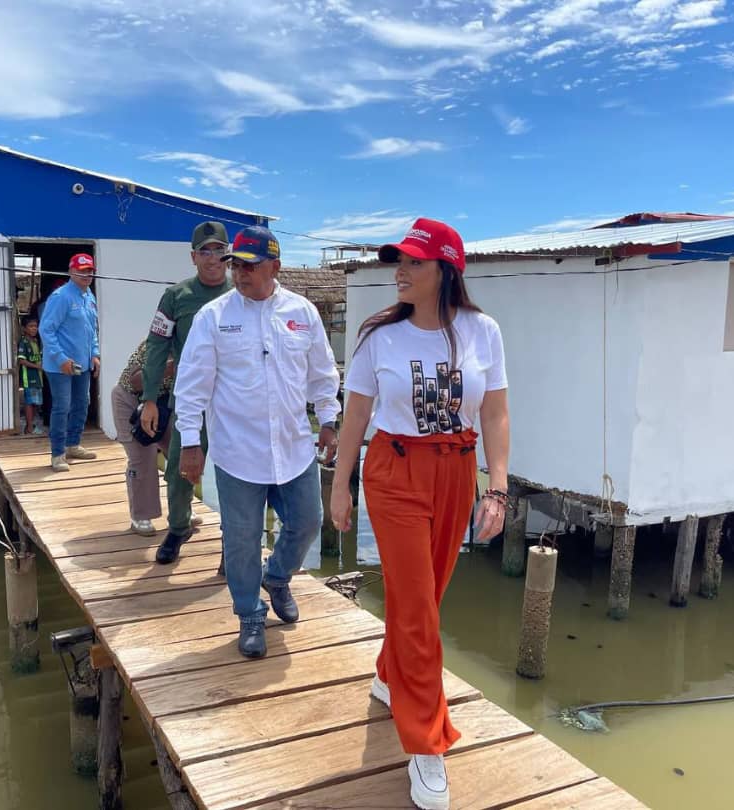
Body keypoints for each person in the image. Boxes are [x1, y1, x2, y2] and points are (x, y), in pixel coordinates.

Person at [329, 218, 509, 810]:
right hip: (395, 470)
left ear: (446, 270)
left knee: (425, 599)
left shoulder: (483, 332)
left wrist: (497, 489)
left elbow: (495, 417)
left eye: (414, 262)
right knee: (416, 612)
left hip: (457, 470)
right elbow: (355, 418)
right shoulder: (380, 336)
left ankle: (389, 675)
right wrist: (340, 485)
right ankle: (427, 743)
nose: (400, 272)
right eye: (397, 263)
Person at [174, 225, 341, 659]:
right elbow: (192, 384)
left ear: (275, 267)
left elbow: (322, 373)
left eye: (250, 266)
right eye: (235, 266)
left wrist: (329, 419)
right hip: (237, 452)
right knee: (241, 540)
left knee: (307, 520)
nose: (240, 274)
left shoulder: (303, 312)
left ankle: (279, 576)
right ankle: (249, 613)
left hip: (293, 447)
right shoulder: (214, 317)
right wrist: (191, 443)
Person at [139, 221, 233, 564]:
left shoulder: (242, 293)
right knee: (179, 467)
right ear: (193, 257)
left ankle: (231, 543)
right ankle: (178, 529)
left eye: (219, 250)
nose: (212, 258)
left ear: (228, 253)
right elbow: (156, 346)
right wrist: (150, 399)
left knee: (235, 474)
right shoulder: (176, 296)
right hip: (191, 401)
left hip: (234, 405)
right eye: (205, 251)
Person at [39, 253, 101, 472]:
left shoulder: (88, 296)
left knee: (82, 403)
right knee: (62, 407)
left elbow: (92, 329)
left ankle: (73, 444)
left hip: (82, 363)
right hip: (60, 366)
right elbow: (46, 330)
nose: (87, 275)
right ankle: (57, 454)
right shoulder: (61, 296)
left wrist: (95, 353)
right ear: (71, 271)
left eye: (90, 271)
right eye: (82, 270)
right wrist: (61, 359)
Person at [111, 340, 175, 535]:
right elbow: (135, 381)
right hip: (129, 401)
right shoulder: (155, 344)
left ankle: (181, 510)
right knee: (143, 459)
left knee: (178, 453)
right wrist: (170, 367)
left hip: (163, 405)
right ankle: (141, 516)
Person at [17, 315, 44, 434]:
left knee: (35, 403)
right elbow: (21, 360)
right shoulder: (24, 342)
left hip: (38, 377)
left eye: (36, 326)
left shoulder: (36, 342)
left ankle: (31, 426)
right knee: (29, 402)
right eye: (31, 326)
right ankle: (29, 428)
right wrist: (37, 366)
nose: (34, 329)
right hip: (29, 378)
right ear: (24, 328)